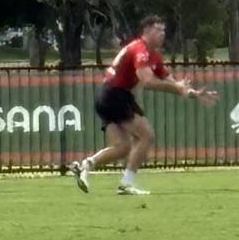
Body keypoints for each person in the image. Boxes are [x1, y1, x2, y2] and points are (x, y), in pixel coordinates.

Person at [72, 15, 217, 195]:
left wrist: (193, 93)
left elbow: (170, 81)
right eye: (158, 30)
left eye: (164, 30)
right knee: (146, 135)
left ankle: (86, 165)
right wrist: (177, 87)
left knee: (122, 146)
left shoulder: (153, 55)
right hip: (115, 95)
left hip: (107, 96)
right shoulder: (140, 50)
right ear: (146, 31)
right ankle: (126, 184)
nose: (162, 34)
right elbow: (148, 81)